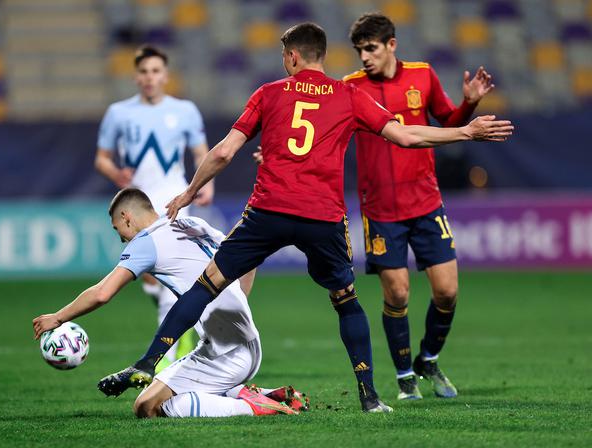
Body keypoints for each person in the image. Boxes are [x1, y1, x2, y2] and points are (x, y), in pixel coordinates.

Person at [96, 22, 512, 414]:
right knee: (346, 302)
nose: (283, 61)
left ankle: (149, 361)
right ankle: (370, 397)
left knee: (206, 285)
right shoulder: (347, 95)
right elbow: (406, 136)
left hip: (268, 210)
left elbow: (223, 151)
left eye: (283, 55)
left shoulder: (269, 93)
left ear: (293, 56)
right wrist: (465, 132)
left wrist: (188, 192)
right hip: (322, 218)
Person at [32, 188, 308, 418]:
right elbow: (246, 261)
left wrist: (58, 317)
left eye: (119, 231)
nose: (122, 239)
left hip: (227, 354)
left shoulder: (146, 243)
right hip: (243, 343)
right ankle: (260, 393)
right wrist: (237, 305)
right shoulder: (190, 224)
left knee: (147, 407)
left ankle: (251, 407)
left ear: (127, 218)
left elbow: (103, 292)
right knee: (176, 389)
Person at [343, 13, 496, 400]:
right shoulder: (350, 88)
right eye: (360, 50)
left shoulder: (422, 76)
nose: (364, 57)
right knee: (397, 294)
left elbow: (448, 120)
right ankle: (405, 374)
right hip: (379, 209)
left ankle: (429, 357)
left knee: (447, 291)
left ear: (391, 44)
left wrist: (468, 103)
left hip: (426, 202)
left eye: (371, 48)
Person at [94, 45, 213, 369]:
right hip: (136, 202)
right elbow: (101, 158)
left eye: (156, 71)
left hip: (174, 198)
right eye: (144, 72)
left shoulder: (185, 110)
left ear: (166, 75)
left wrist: (205, 184)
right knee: (150, 278)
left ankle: (165, 359)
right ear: (136, 77)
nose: (150, 78)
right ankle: (182, 328)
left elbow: (201, 152)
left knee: (166, 272)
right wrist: (114, 172)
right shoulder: (119, 113)